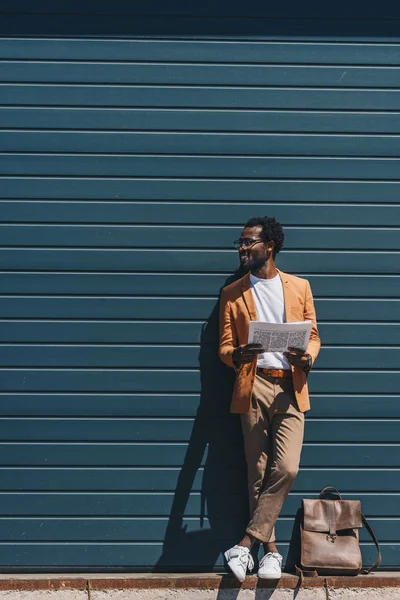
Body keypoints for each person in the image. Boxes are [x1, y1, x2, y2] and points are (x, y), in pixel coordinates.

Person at [218, 216, 321, 581]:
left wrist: (306, 357)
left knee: (287, 468)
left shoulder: (299, 286)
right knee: (257, 472)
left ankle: (247, 542)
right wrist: (239, 356)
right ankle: (271, 553)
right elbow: (224, 347)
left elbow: (313, 335)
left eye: (249, 242)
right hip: (254, 383)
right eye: (240, 243)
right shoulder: (233, 293)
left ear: (269, 246)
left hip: (291, 385)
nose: (243, 248)